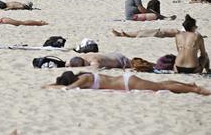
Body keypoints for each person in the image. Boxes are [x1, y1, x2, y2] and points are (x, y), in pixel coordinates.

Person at [45, 70, 210, 95]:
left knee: (161, 86)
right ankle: (191, 86)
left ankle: (196, 90)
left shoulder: (84, 80)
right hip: (126, 79)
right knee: (160, 83)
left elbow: (68, 88)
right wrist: (53, 83)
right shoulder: (85, 75)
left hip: (127, 84)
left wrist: (50, 86)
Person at [111, 28, 178, 38]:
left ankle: (122, 34)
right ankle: (123, 34)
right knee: (140, 32)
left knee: (142, 33)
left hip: (161, 33)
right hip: (161, 32)